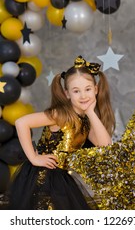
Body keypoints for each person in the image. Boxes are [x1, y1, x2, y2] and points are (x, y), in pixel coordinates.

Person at [8, 55, 115, 210]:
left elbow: (105, 145)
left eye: (88, 89)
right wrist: (34, 157)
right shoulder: (61, 114)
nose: (83, 95)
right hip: (42, 178)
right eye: (76, 91)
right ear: (67, 94)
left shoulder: (85, 119)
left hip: (62, 178)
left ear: (96, 89)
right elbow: (21, 122)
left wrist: (91, 112)